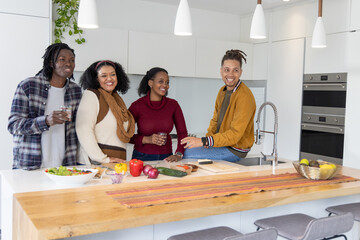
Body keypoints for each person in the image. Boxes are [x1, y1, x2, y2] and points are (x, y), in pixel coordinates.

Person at [8, 43, 82, 170]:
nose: (69, 64)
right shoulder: (29, 86)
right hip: (31, 165)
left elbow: (78, 127)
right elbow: (13, 125)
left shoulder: (75, 91)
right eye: (62, 59)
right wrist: (46, 121)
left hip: (65, 166)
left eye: (72, 60)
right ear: (50, 63)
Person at [181, 49, 256, 162]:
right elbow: (215, 121)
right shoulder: (223, 91)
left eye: (235, 70)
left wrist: (204, 141)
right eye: (227, 70)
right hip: (223, 145)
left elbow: (235, 134)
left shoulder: (244, 96)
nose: (230, 74)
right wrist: (207, 141)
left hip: (235, 149)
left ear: (240, 72)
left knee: (187, 155)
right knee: (184, 151)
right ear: (221, 71)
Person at [76, 60, 135, 165]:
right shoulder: (92, 95)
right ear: (96, 79)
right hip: (96, 162)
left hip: (115, 161)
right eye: (104, 75)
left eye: (113, 74)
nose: (109, 79)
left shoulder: (116, 99)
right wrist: (102, 159)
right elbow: (83, 130)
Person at [129, 67, 188, 162]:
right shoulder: (137, 106)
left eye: (167, 82)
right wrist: (147, 139)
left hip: (167, 157)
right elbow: (125, 135)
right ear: (150, 83)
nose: (165, 85)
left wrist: (179, 154)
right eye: (161, 81)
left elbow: (182, 133)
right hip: (141, 157)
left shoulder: (173, 105)